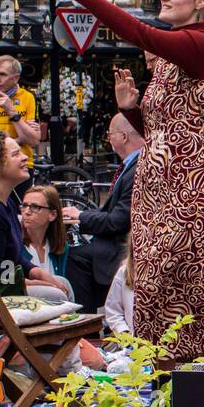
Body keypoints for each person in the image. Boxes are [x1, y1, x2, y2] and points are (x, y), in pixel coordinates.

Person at [55, 0, 204, 370]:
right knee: (163, 288)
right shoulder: (173, 58)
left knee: (189, 285)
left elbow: (137, 30)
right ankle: (169, 395)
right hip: (156, 188)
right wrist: (131, 111)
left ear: (200, 2)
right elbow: (163, 129)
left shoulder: (203, 43)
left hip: (187, 188)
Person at [0, 132, 67, 295]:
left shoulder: (5, 203)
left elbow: (12, 258)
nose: (25, 157)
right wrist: (29, 283)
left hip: (6, 286)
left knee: (61, 282)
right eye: (16, 154)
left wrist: (36, 272)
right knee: (57, 293)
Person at [60, 112, 142, 312]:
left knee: (74, 255)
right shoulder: (132, 164)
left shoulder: (137, 167)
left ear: (123, 137)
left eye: (110, 133)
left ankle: (84, 321)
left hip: (123, 247)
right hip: (121, 240)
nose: (108, 138)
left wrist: (80, 216)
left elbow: (118, 221)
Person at [20, 184, 73, 299]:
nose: (27, 212)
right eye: (24, 205)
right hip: (24, 304)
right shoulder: (15, 244)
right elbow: (5, 281)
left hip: (53, 307)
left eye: (35, 207)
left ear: (52, 215)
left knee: (64, 284)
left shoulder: (60, 247)